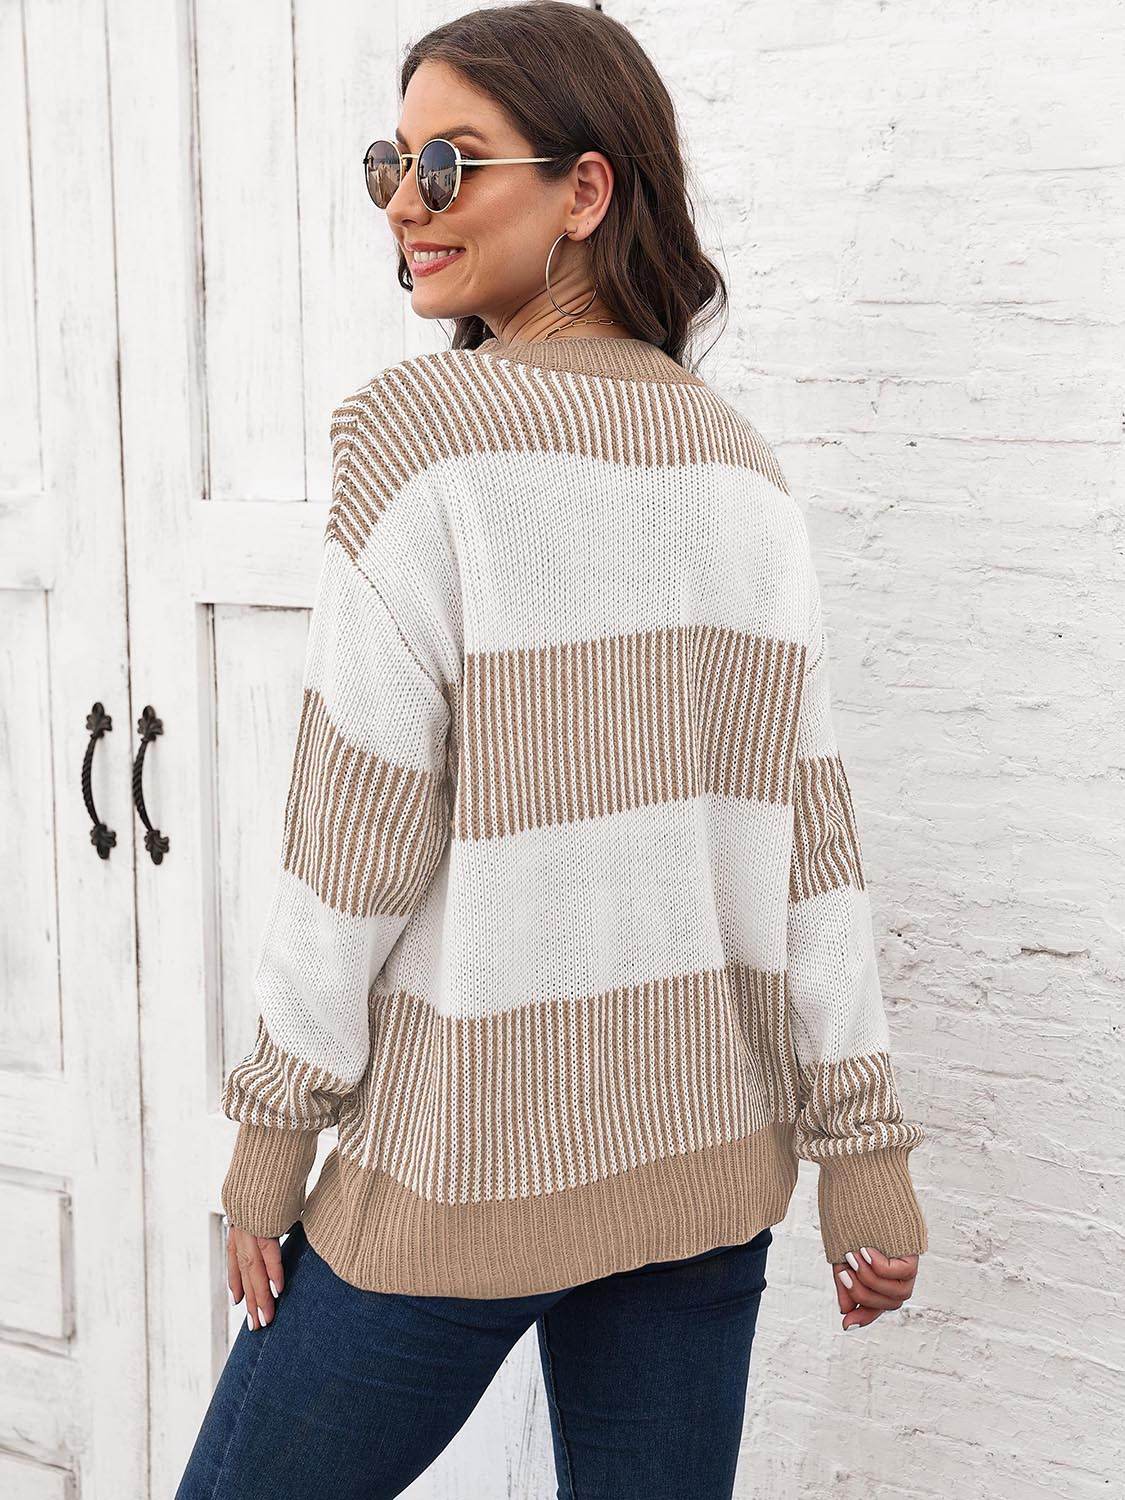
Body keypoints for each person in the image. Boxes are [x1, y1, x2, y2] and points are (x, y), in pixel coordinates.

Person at [176, 5, 926, 1497]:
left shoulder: (422, 440)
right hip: (701, 1165)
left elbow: (354, 834)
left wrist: (272, 1131)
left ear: (584, 191)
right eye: (390, 163)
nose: (404, 203)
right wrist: (860, 1152)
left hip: (463, 1164)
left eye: (449, 163)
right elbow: (812, 842)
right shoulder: (739, 467)